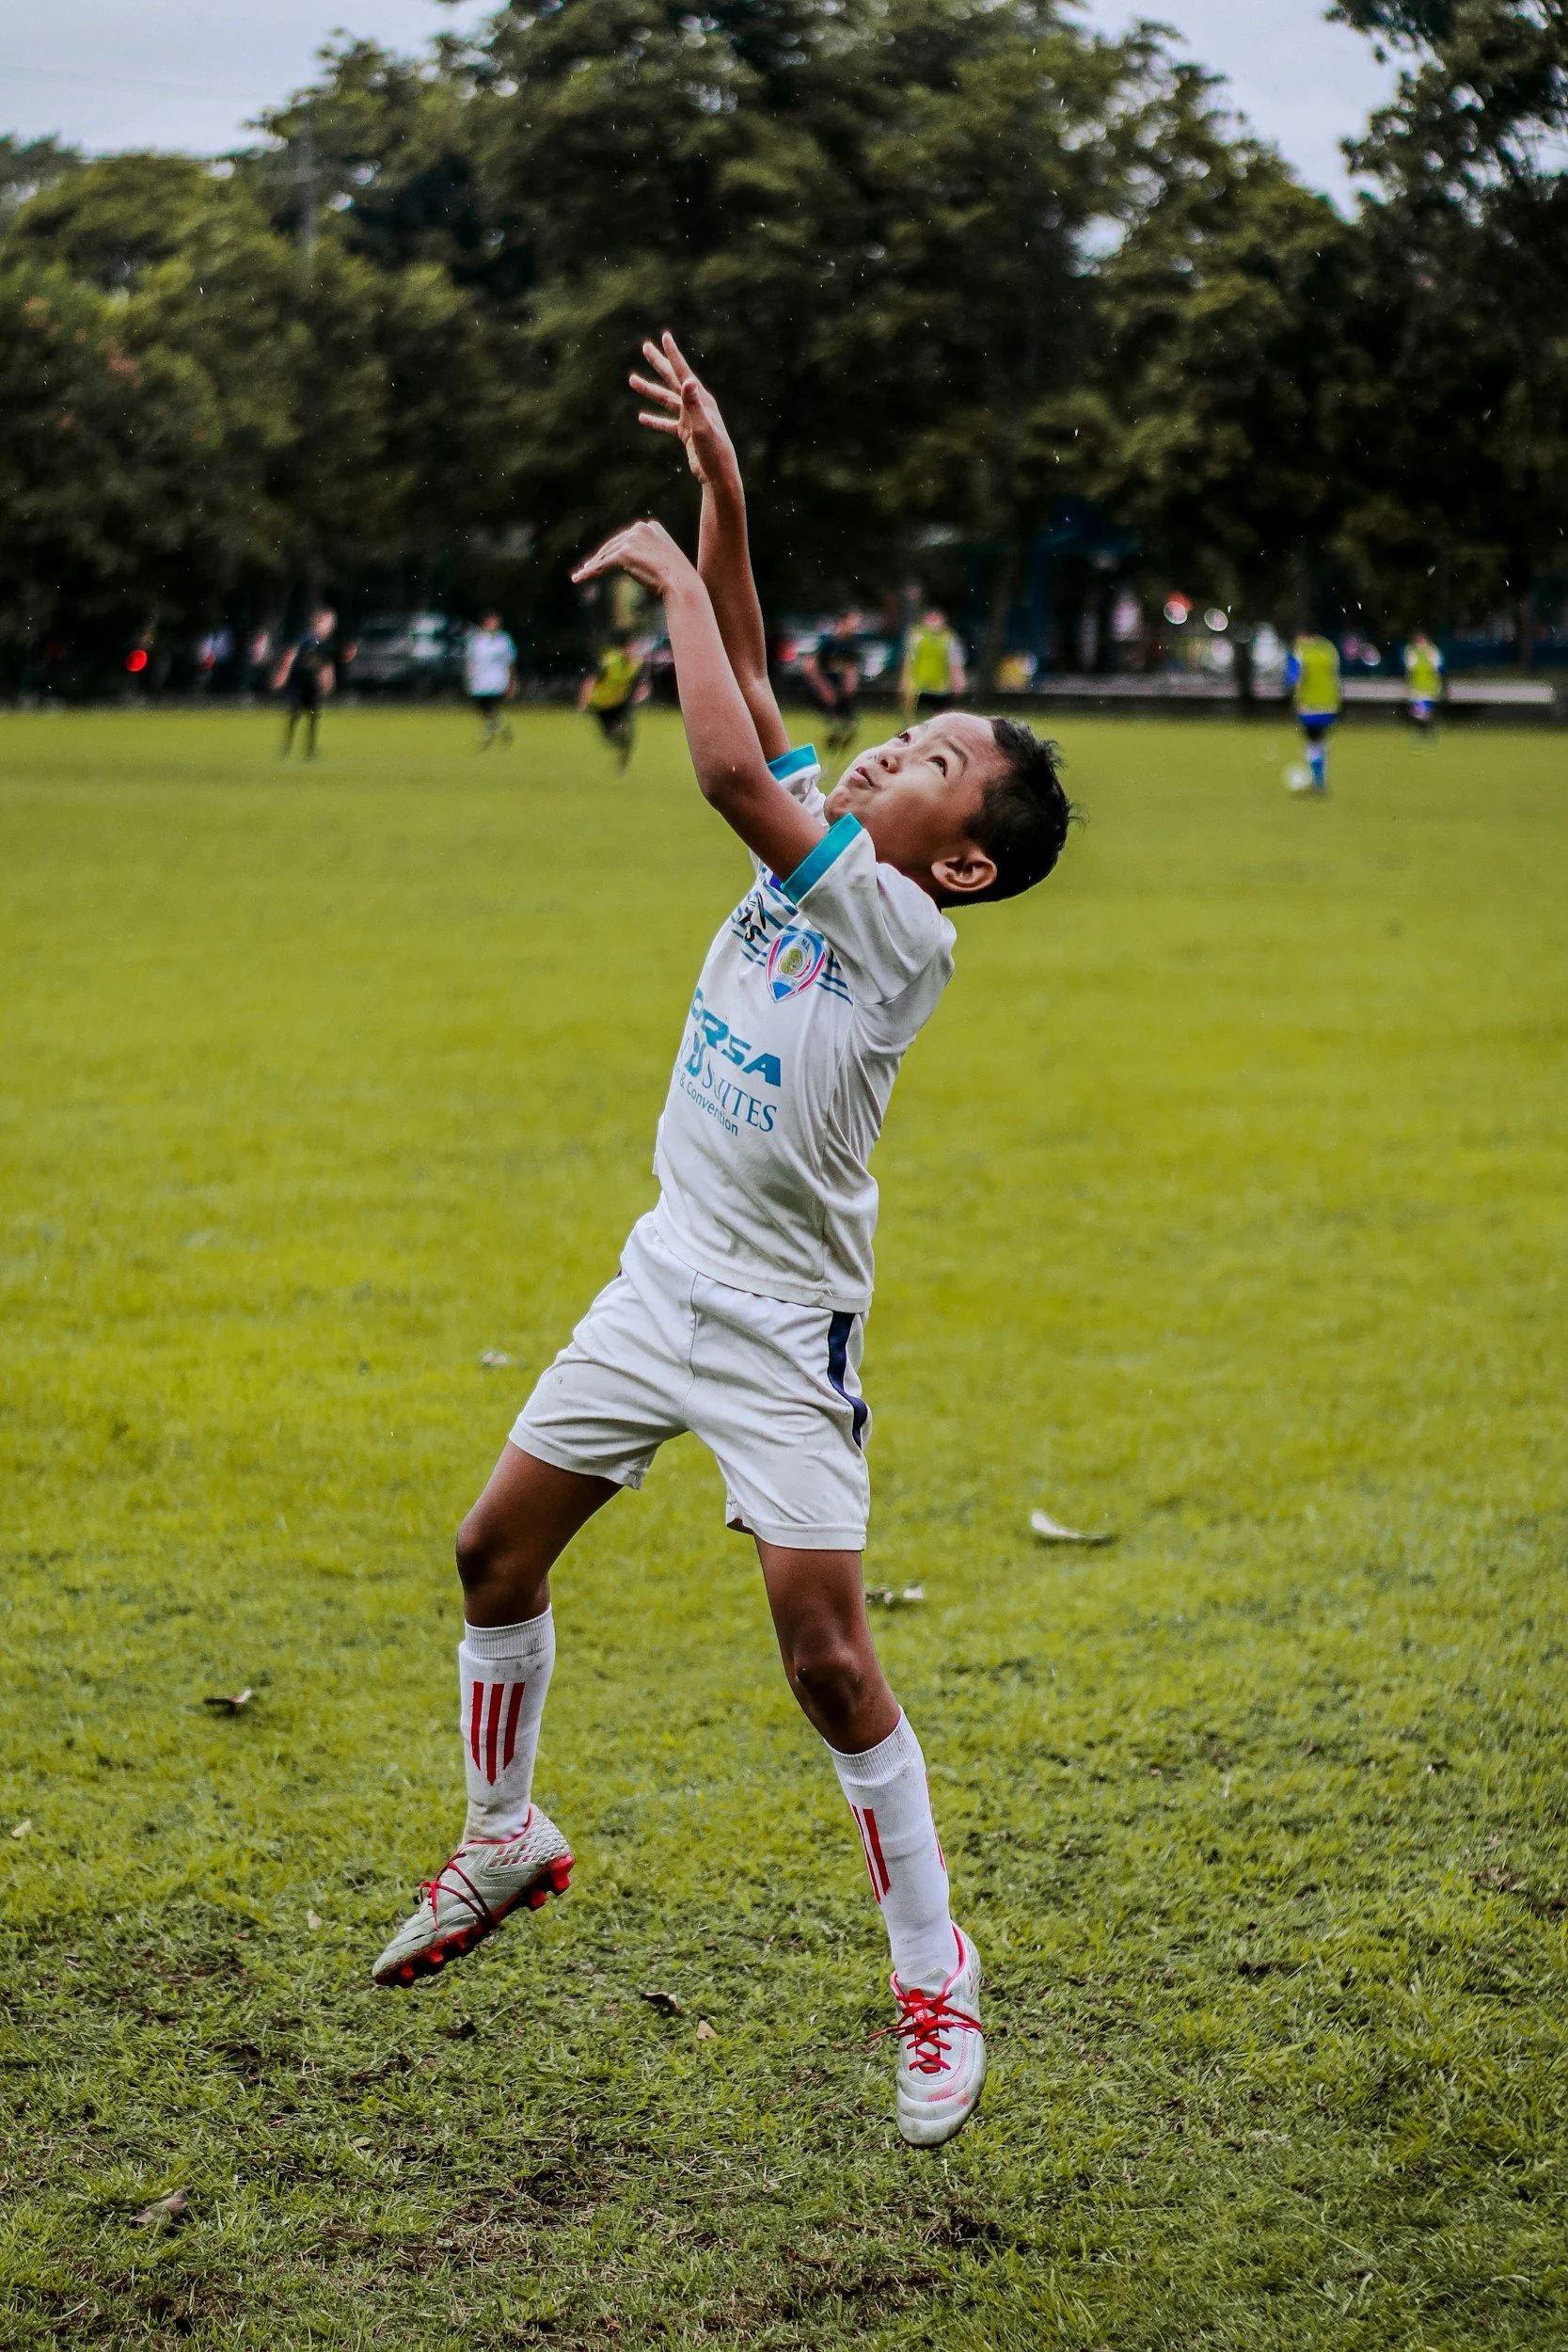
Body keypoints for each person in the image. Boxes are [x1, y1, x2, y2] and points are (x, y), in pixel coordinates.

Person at [371, 329, 1073, 2153]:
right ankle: (503, 1833)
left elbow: (714, 754)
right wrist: (726, 494)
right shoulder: (847, 831)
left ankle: (933, 1960)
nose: (881, 749)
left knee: (823, 1654)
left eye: (923, 757)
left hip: (777, 1326)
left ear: (961, 863)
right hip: (664, 1265)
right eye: (904, 732)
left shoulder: (892, 929)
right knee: (489, 1551)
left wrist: (675, 575)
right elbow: (752, 684)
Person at [273, 608, 337, 759]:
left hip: (311, 685)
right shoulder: (307, 640)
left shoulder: (324, 644)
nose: (330, 626)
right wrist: (282, 675)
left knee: (313, 716)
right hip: (299, 683)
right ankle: (287, 745)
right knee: (295, 714)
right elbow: (291, 656)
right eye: (328, 623)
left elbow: (325, 664)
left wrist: (328, 681)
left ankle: (310, 749)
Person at [578, 634, 648, 769]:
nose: (633, 651)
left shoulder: (636, 663)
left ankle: (624, 755)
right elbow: (590, 680)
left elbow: (639, 682)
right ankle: (618, 737)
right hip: (601, 703)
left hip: (619, 701)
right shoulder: (610, 662)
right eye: (630, 647)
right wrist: (583, 701)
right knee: (609, 736)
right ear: (623, 649)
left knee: (628, 729)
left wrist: (641, 691)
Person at [1284, 628, 1341, 794]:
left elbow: (1292, 677)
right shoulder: (1328, 648)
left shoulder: (1300, 650)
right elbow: (1336, 674)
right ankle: (1319, 780)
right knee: (1321, 742)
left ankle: (1317, 782)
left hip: (1309, 706)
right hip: (1330, 705)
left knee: (1312, 744)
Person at [799, 611, 863, 756]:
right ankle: (829, 746)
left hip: (839, 691)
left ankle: (835, 747)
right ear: (842, 622)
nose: (855, 626)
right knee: (837, 721)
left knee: (851, 725)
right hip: (824, 688)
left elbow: (851, 666)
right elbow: (809, 666)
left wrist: (851, 683)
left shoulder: (851, 643)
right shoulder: (827, 641)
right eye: (853, 622)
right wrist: (823, 687)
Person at [901, 607, 965, 722]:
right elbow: (909, 661)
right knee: (920, 721)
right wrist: (905, 681)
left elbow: (955, 662)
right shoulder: (917, 636)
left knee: (939, 720)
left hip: (941, 688)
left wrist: (958, 681)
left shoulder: (948, 638)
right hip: (920, 687)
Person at [466, 612, 517, 747]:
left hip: (498, 679)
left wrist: (512, 681)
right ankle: (501, 726)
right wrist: (469, 674)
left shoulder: (504, 640)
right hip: (480, 679)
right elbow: (471, 660)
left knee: (490, 706)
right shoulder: (478, 639)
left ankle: (489, 734)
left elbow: (510, 661)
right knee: (482, 707)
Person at [1403, 628, 1444, 732]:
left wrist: (1442, 682)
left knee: (1424, 710)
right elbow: (1410, 668)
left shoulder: (1432, 651)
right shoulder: (1412, 651)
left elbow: (1438, 667)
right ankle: (1424, 729)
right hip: (1417, 685)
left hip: (1429, 685)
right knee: (1420, 711)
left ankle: (1425, 729)